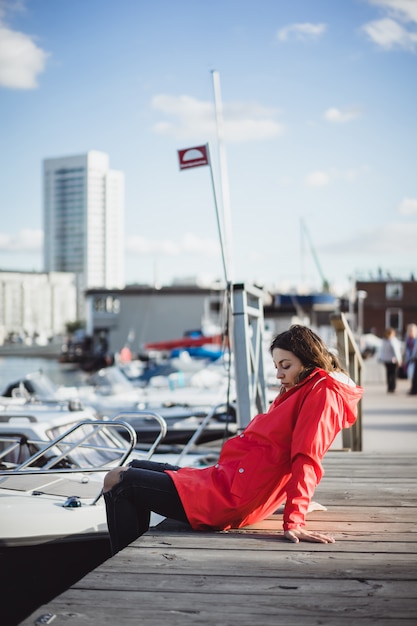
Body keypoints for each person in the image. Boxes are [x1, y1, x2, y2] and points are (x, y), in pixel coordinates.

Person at [103, 325, 363, 555]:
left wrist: (295, 519)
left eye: (286, 366)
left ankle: (121, 560)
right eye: (277, 367)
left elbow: (307, 457)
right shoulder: (304, 390)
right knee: (136, 466)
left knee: (117, 480)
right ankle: (132, 551)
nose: (279, 375)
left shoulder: (322, 393)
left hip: (227, 499)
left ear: (308, 362)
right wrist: (290, 503)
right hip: (225, 481)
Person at [378, 328, 403, 393]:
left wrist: (381, 358)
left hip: (386, 360)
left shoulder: (384, 340)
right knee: (393, 374)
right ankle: (393, 388)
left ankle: (389, 387)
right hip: (393, 360)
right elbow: (396, 351)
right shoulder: (393, 340)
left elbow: (381, 350)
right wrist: (399, 359)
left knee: (388, 374)